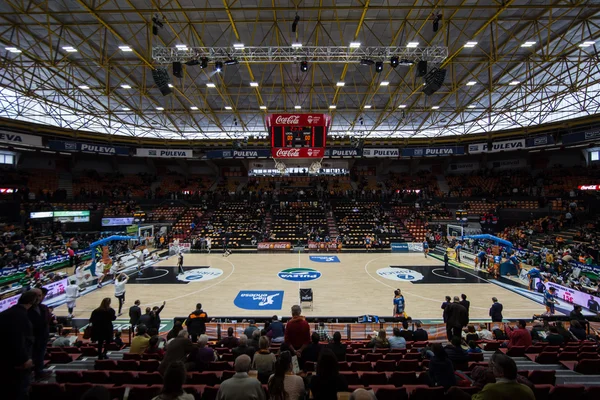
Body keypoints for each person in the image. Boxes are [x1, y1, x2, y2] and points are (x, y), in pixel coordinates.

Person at [0, 290, 36, 400]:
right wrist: (24, 359)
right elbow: (17, 338)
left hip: (5, 360)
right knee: (18, 390)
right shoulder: (19, 316)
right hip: (16, 363)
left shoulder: (7, 313)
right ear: (32, 301)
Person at [469, 353, 535, 400]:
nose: (490, 370)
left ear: (501, 373)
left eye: (491, 367)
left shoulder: (491, 389)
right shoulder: (527, 390)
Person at [29, 287, 50, 380]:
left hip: (42, 337)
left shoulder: (43, 307)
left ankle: (39, 373)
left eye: (40, 296)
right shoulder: (25, 309)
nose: (39, 298)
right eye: (36, 296)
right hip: (30, 339)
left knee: (40, 355)